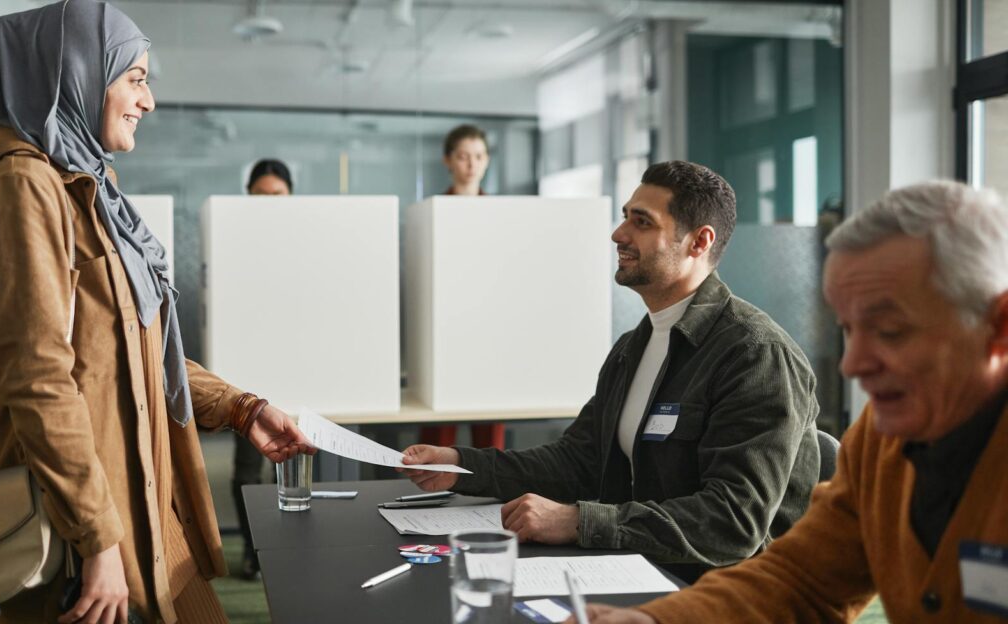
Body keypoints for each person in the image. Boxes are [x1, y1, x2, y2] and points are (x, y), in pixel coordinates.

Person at [0, 2, 313, 622]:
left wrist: (241, 407)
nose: (148, 100)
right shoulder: (23, 185)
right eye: (136, 77)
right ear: (77, 73)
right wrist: (96, 539)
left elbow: (137, 348)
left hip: (142, 505)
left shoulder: (86, 184)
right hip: (80, 533)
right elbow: (36, 378)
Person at [574, 180, 1008, 623]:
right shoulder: (879, 444)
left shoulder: (753, 350)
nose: (853, 365)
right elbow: (801, 581)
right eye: (849, 331)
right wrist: (653, 620)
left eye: (890, 331)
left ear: (999, 328)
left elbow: (735, 520)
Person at [403, 161, 821, 583]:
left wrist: (578, 522)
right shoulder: (633, 348)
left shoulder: (754, 354)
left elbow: (732, 521)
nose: (618, 234)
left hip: (728, 594)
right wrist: (460, 465)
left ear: (699, 242)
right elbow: (580, 459)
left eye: (641, 222)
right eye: (625, 217)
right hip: (643, 572)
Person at [420, 123, 506, 449]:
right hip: (443, 329)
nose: (472, 165)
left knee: (490, 437)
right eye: (463, 156)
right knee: (438, 433)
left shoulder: (500, 214)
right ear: (448, 161)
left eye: (479, 156)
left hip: (488, 328)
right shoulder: (432, 211)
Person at [231, 157, 293, 580]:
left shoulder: (303, 238)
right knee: (248, 467)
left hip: (297, 361)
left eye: (278, 197)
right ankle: (256, 549)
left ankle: (293, 547)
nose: (270, 205)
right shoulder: (234, 238)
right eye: (261, 197)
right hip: (249, 366)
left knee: (297, 459)